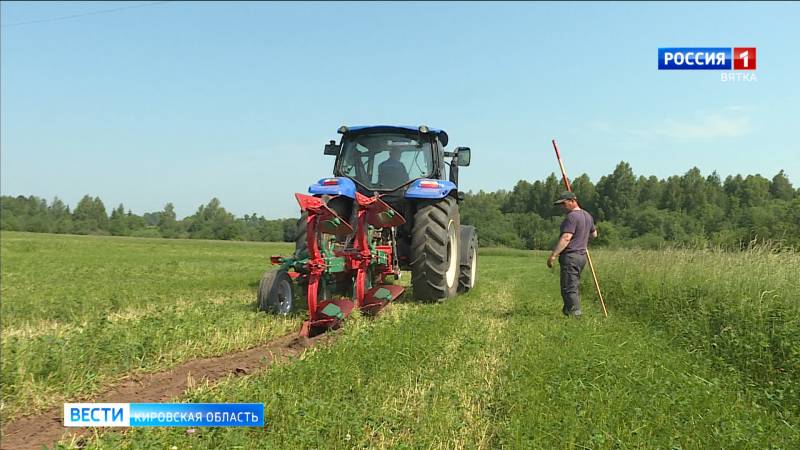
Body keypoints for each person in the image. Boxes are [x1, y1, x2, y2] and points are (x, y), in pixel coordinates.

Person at [546, 191, 597, 317]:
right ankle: (568, 310)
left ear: (573, 201)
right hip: (581, 257)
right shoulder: (588, 216)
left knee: (569, 287)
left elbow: (566, 237)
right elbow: (594, 235)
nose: (563, 207)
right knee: (572, 284)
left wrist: (553, 255)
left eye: (564, 203)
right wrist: (582, 238)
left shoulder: (572, 217)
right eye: (561, 205)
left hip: (571, 256)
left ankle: (576, 315)